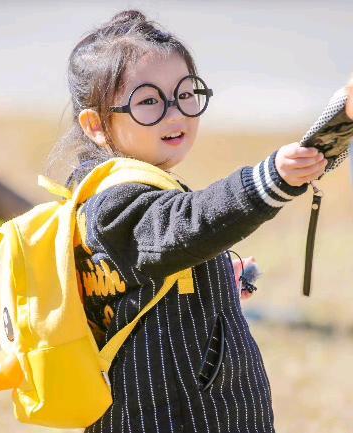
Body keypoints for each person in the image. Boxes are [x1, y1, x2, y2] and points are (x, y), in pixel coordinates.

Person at [44, 10, 331, 433]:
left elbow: (149, 279)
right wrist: (271, 179)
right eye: (148, 101)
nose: (175, 114)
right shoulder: (113, 203)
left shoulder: (133, 189)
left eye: (185, 93)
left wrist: (215, 286)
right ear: (96, 125)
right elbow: (188, 223)